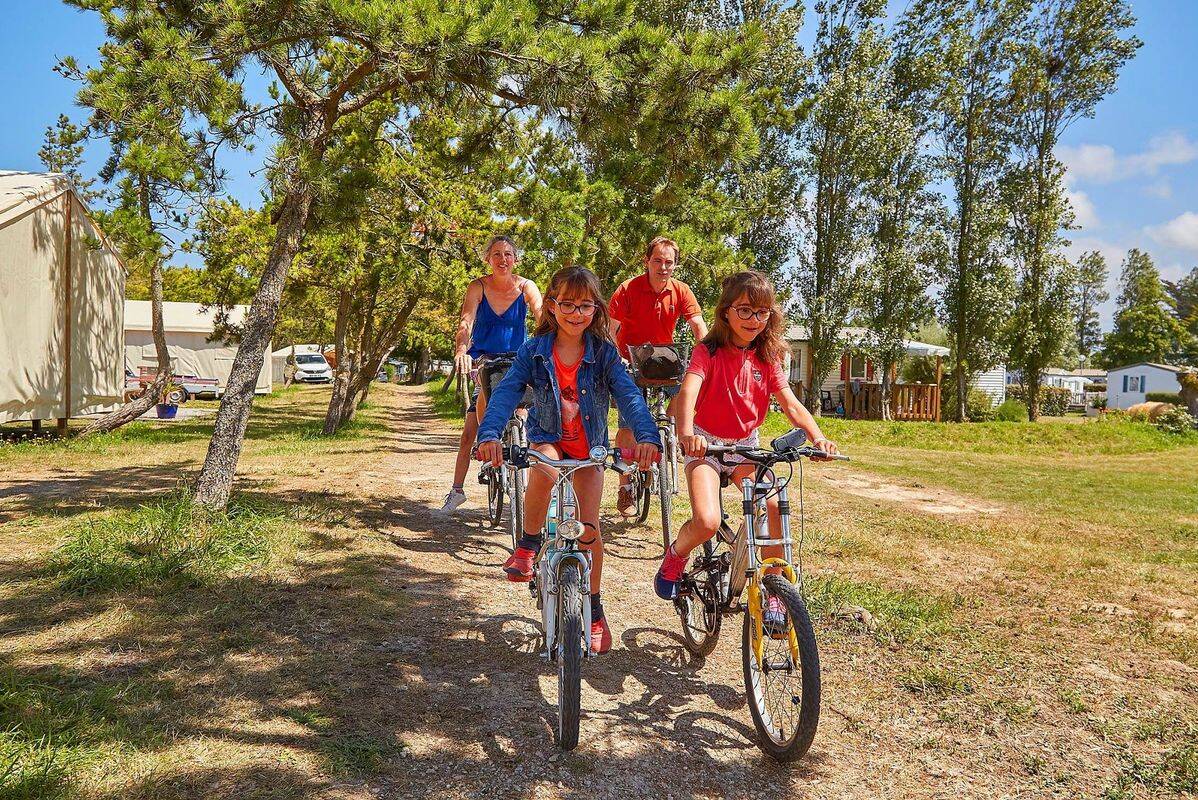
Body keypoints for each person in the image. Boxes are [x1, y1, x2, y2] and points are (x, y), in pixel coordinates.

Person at [477, 266, 660, 653]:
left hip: (590, 448)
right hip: (549, 439)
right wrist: (490, 433)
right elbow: (508, 391)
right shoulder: (534, 350)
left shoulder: (605, 354)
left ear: (596, 309)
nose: (576, 313)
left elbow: (629, 396)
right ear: (553, 306)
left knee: (590, 528)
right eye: (568, 305)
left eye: (585, 306)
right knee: (542, 464)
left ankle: (593, 608)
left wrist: (646, 436)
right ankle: (528, 545)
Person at [653, 270, 840, 633]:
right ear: (725, 312)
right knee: (707, 521)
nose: (754, 320)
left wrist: (818, 438)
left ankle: (774, 589)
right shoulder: (707, 350)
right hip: (706, 444)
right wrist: (687, 432)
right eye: (744, 311)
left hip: (745, 449)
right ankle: (676, 555)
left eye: (762, 313)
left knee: (773, 504)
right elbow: (689, 392)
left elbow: (790, 404)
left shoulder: (768, 356)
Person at [440, 235, 543, 514]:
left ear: (516, 259)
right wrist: (462, 350)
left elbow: (541, 314)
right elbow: (466, 321)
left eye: (508, 254)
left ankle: (539, 487)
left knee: (531, 423)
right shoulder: (478, 287)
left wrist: (553, 341)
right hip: (483, 361)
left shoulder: (526, 287)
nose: (502, 259)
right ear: (488, 259)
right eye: (496, 254)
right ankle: (458, 490)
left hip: (517, 361)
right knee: (468, 433)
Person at [608, 236, 707, 516]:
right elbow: (610, 328)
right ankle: (626, 486)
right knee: (628, 425)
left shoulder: (681, 291)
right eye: (657, 261)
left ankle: (673, 439)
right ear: (647, 261)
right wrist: (611, 356)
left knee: (685, 389)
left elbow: (699, 326)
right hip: (631, 360)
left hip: (665, 360)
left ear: (675, 265)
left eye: (669, 262)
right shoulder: (628, 289)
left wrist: (712, 353)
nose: (663, 267)